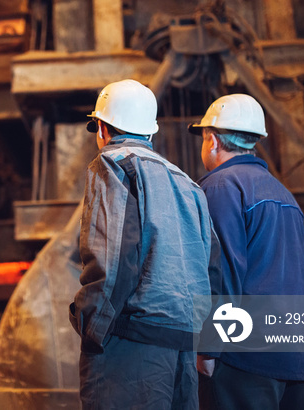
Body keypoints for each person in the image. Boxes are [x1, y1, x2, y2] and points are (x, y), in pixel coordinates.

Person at [69, 79, 219, 410]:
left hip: (133, 345)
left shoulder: (112, 165)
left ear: (103, 128)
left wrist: (90, 325)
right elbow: (211, 268)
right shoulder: (188, 184)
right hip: (183, 346)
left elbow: (112, 255)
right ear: (150, 133)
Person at [188, 94, 304, 410]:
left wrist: (209, 349)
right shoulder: (282, 193)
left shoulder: (221, 187)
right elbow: (303, 266)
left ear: (213, 139)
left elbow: (222, 273)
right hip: (298, 359)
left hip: (246, 362)